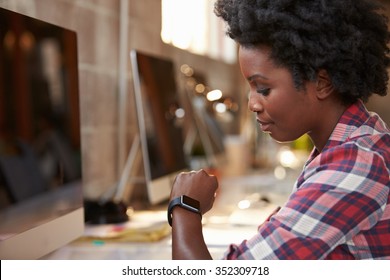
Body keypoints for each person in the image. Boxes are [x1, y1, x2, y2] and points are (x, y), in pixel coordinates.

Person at [168, 0, 390, 259]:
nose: (252, 104)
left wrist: (185, 206)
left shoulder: (354, 165)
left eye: (263, 89)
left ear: (322, 83)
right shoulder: (358, 140)